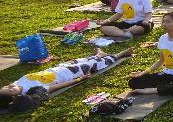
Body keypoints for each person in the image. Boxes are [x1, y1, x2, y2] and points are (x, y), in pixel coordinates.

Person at [0, 47, 134, 112]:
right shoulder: (32, 90)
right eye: (11, 90)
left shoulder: (18, 83)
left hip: (59, 68)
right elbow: (58, 86)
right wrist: (79, 79)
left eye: (6, 86)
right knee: (94, 65)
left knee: (80, 60)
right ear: (15, 98)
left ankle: (99, 54)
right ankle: (118, 55)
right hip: (69, 75)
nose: (10, 85)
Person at [127, 12, 173, 96]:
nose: (164, 24)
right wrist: (143, 73)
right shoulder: (162, 38)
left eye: (168, 22)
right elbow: (161, 61)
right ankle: (165, 87)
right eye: (163, 21)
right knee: (133, 82)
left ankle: (154, 90)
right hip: (167, 74)